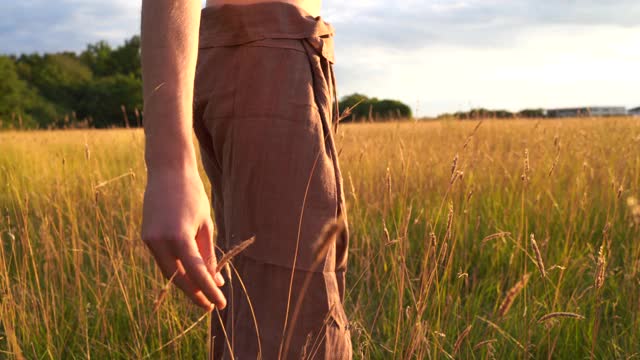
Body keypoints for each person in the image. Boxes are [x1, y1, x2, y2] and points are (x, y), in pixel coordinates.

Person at [140, 0, 351, 358]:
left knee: (264, 318)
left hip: (271, 53)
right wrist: (168, 164)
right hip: (270, 62)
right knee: (295, 327)